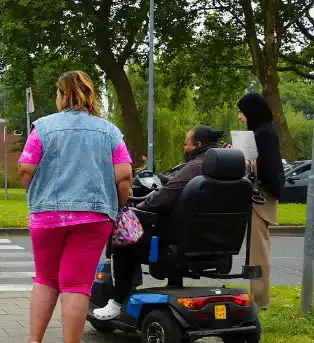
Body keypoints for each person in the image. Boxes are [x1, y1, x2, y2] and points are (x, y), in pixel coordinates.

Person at [18, 71, 132, 343]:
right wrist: (118, 203)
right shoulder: (110, 132)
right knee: (77, 284)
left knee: (45, 278)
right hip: (94, 217)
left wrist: (40, 194)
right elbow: (124, 175)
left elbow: (26, 168)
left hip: (46, 216)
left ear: (62, 94)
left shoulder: (42, 128)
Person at [94, 126, 224, 320]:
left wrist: (139, 206)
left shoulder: (196, 166)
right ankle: (173, 284)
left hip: (175, 246)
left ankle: (117, 301)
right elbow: (176, 184)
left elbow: (164, 198)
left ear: (198, 145)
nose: (184, 147)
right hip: (216, 245)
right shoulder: (224, 169)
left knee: (124, 239)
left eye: (186, 144)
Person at [236, 92, 285, 310]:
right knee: (256, 249)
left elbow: (267, 167)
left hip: (260, 197)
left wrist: (246, 161)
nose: (240, 117)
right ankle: (258, 296)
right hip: (259, 195)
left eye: (243, 112)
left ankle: (260, 300)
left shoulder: (263, 134)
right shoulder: (263, 132)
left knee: (258, 250)